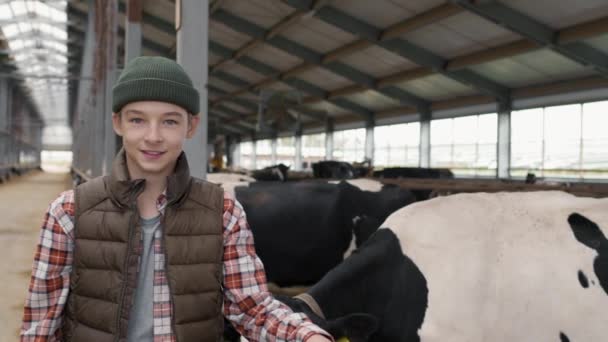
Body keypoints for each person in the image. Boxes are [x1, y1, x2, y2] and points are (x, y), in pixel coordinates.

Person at [20, 56, 332, 342]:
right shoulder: (68, 212)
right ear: (118, 123)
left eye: (169, 121)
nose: (153, 136)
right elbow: (41, 324)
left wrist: (308, 336)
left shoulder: (222, 212)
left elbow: (253, 309)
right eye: (137, 120)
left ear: (191, 125)